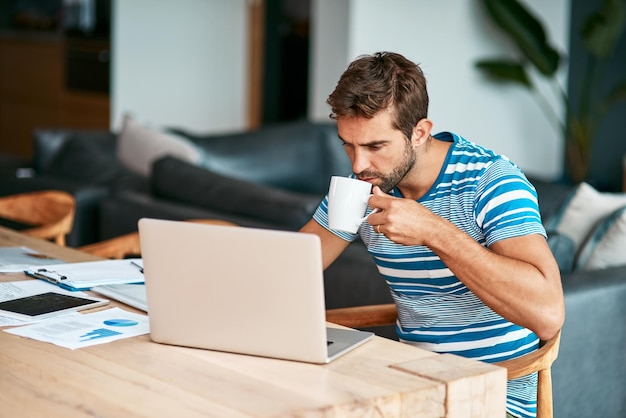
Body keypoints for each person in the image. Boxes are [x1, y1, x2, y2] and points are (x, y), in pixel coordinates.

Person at [300, 51, 565, 418]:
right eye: (348, 144)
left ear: (420, 132)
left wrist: (433, 231)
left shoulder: (491, 182)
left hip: (495, 396)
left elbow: (548, 313)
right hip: (412, 386)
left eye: (375, 147)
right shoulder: (360, 186)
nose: (358, 165)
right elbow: (294, 270)